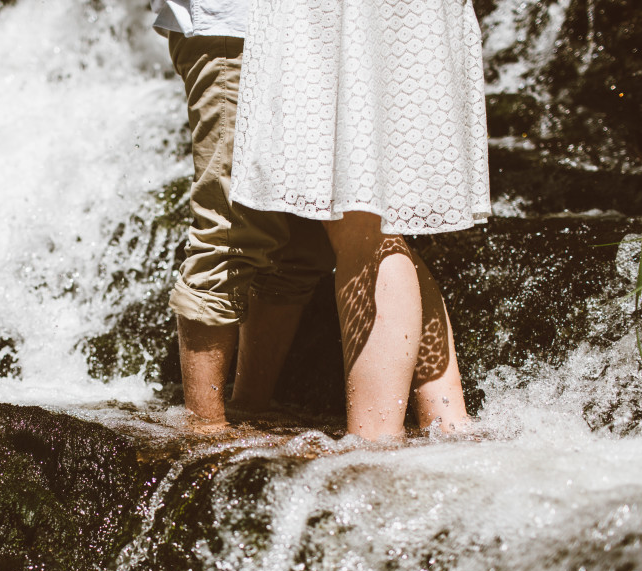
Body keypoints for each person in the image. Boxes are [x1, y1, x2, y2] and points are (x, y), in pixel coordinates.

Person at [230, 0, 492, 440]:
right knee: (372, 222)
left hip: (340, 15)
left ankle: (374, 446)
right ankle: (447, 420)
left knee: (358, 224)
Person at [151, 0, 337, 430]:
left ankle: (249, 410)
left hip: (317, 34)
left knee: (303, 241)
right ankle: (205, 433)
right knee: (231, 230)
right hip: (235, 29)